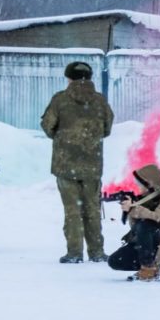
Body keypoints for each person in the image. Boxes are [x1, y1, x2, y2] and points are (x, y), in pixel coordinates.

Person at [41, 61, 114, 264]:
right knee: (92, 209)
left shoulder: (60, 100)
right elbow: (107, 129)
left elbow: (48, 126)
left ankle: (74, 252)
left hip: (65, 165)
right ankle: (97, 252)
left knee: (73, 210)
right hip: (92, 165)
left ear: (69, 78)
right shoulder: (100, 101)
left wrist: (64, 139)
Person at [108, 164, 160, 281]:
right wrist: (131, 208)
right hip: (145, 242)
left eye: (140, 184)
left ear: (149, 183)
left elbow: (158, 216)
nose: (139, 187)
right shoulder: (142, 199)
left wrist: (133, 208)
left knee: (146, 224)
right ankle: (150, 264)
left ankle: (148, 269)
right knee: (115, 261)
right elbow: (135, 227)